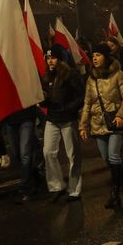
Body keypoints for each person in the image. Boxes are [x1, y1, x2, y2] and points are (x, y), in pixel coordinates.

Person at [80, 42, 123, 210]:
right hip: (97, 125)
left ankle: (115, 194)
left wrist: (120, 115)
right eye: (93, 55)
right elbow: (87, 104)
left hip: (115, 124)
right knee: (107, 159)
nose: (94, 58)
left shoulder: (118, 75)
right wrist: (83, 125)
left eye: (98, 55)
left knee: (113, 156)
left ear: (106, 57)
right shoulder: (91, 79)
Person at [41, 50, 84, 201]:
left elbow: (81, 95)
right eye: (48, 58)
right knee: (48, 152)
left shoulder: (71, 75)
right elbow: (46, 97)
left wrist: (69, 108)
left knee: (72, 155)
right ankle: (56, 185)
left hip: (68, 120)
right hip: (52, 119)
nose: (50, 61)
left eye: (53, 58)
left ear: (61, 60)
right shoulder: (47, 76)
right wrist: (42, 100)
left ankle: (74, 189)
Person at [0, 102, 42, 203]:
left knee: (25, 155)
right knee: (17, 154)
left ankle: (26, 189)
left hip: (26, 118)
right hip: (10, 120)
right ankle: (33, 176)